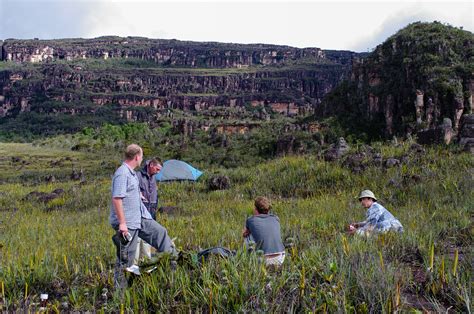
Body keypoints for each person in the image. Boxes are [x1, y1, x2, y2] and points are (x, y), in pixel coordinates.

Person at [110, 144, 176, 289]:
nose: (142, 159)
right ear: (137, 157)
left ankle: (172, 270)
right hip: (128, 223)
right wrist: (122, 224)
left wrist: (137, 195)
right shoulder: (122, 173)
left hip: (140, 218)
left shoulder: (131, 173)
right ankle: (120, 294)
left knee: (161, 233)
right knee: (126, 259)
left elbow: (128, 192)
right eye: (142, 156)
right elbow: (117, 198)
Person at [134, 158, 162, 264]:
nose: (158, 172)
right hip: (140, 209)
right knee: (137, 237)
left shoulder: (153, 178)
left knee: (147, 236)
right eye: (157, 169)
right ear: (151, 165)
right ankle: (135, 263)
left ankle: (146, 261)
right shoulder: (138, 176)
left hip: (151, 209)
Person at [242, 196, 286, 266]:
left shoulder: (250, 220)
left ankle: (248, 259)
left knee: (247, 235)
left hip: (262, 259)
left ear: (256, 209)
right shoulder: (276, 218)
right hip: (281, 257)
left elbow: (244, 234)